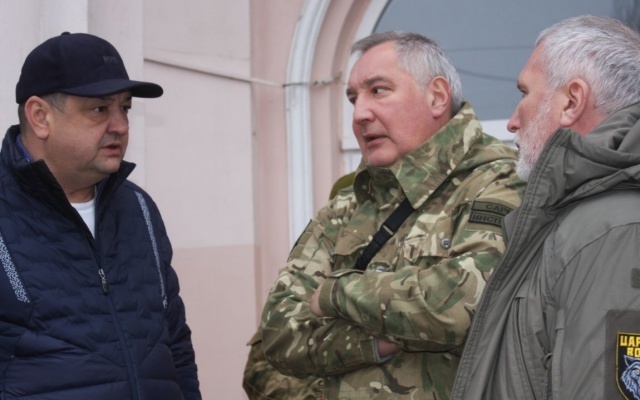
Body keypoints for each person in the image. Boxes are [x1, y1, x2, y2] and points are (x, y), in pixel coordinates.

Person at [260, 31, 525, 399]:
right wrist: (378, 343)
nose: (359, 114)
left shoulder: (499, 181)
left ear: (437, 96)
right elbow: (278, 333)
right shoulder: (348, 205)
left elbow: (462, 307)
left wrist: (334, 292)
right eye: (353, 99)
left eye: (378, 91)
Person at [0, 32, 201, 399]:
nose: (120, 126)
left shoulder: (139, 208)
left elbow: (175, 345)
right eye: (99, 109)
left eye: (124, 108)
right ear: (40, 117)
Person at [450, 15, 640, 400]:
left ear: (572, 101)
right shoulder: (576, 215)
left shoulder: (611, 229)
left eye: (524, 92)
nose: (511, 122)